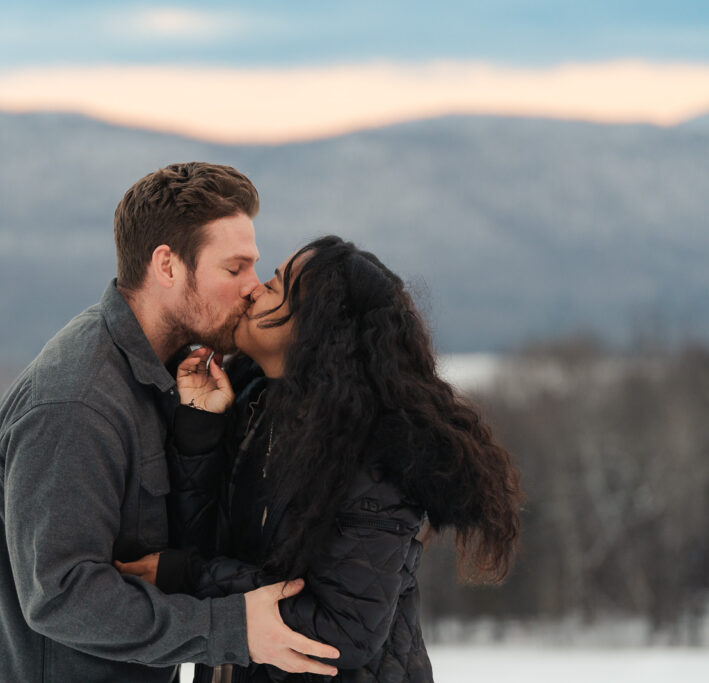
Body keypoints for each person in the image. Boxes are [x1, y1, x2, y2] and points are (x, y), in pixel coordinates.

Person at [0, 163, 340, 682]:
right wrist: (231, 628)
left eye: (254, 267)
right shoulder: (76, 403)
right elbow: (62, 595)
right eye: (234, 268)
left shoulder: (171, 380)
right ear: (167, 266)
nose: (253, 287)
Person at [118, 235, 524, 682]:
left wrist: (190, 577)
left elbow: (344, 630)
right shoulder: (255, 402)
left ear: (314, 327)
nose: (253, 290)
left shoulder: (375, 454)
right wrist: (200, 431)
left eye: (273, 287)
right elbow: (206, 544)